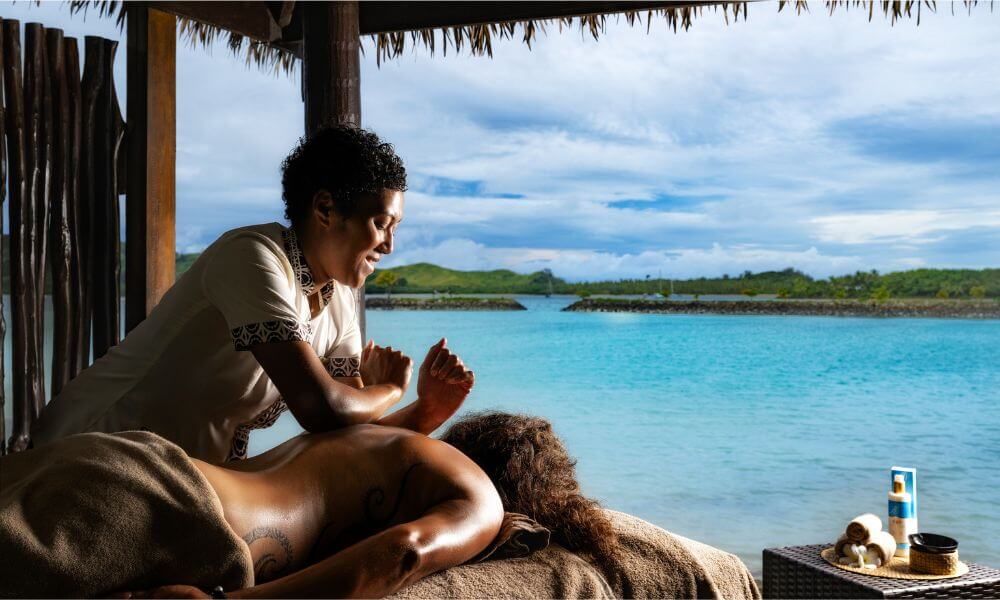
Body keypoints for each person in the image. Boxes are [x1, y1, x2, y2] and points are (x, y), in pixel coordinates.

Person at [32, 125, 473, 463]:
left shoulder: (338, 300)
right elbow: (321, 408)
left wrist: (427, 409)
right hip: (92, 450)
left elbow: (343, 434)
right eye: (380, 223)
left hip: (187, 476)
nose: (390, 245)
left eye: (395, 228)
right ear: (324, 209)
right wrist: (393, 389)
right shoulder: (252, 257)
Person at [0, 412, 619, 598]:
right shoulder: (479, 497)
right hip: (169, 512)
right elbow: (401, 555)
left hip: (125, 455)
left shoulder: (381, 438)